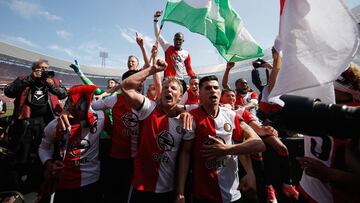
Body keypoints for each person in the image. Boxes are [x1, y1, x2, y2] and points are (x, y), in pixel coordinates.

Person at [176, 75, 266, 203]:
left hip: (233, 194)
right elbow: (185, 153)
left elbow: (259, 144)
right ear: (199, 94)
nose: (212, 90)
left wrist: (227, 150)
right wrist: (180, 192)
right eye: (207, 88)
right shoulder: (192, 118)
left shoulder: (231, 115)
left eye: (215, 88)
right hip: (204, 195)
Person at [120, 58, 194, 203]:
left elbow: (185, 156)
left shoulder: (187, 121)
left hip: (168, 189)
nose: (168, 90)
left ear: (180, 97)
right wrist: (153, 69)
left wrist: (180, 192)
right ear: (160, 94)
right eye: (165, 87)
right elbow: (125, 86)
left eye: (173, 88)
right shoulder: (148, 108)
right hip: (140, 187)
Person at [4, 59, 67, 193]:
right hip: (25, 123)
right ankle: (15, 189)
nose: (44, 71)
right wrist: (29, 78)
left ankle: (38, 186)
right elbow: (9, 92)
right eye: (41, 68)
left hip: (46, 123)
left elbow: (63, 94)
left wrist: (51, 85)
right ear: (34, 69)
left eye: (46, 68)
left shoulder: (52, 82)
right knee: (21, 154)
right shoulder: (24, 79)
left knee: (43, 154)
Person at [38, 85, 105, 203]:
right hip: (64, 183)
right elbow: (43, 148)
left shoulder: (100, 117)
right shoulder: (55, 125)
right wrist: (49, 164)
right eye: (74, 102)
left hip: (92, 181)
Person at [153, 10, 196, 90]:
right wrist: (155, 20)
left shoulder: (186, 54)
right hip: (168, 80)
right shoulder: (167, 47)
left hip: (180, 81)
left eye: (180, 39)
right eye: (176, 39)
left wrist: (194, 77)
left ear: (183, 41)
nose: (178, 41)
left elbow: (189, 69)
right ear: (173, 40)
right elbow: (157, 35)